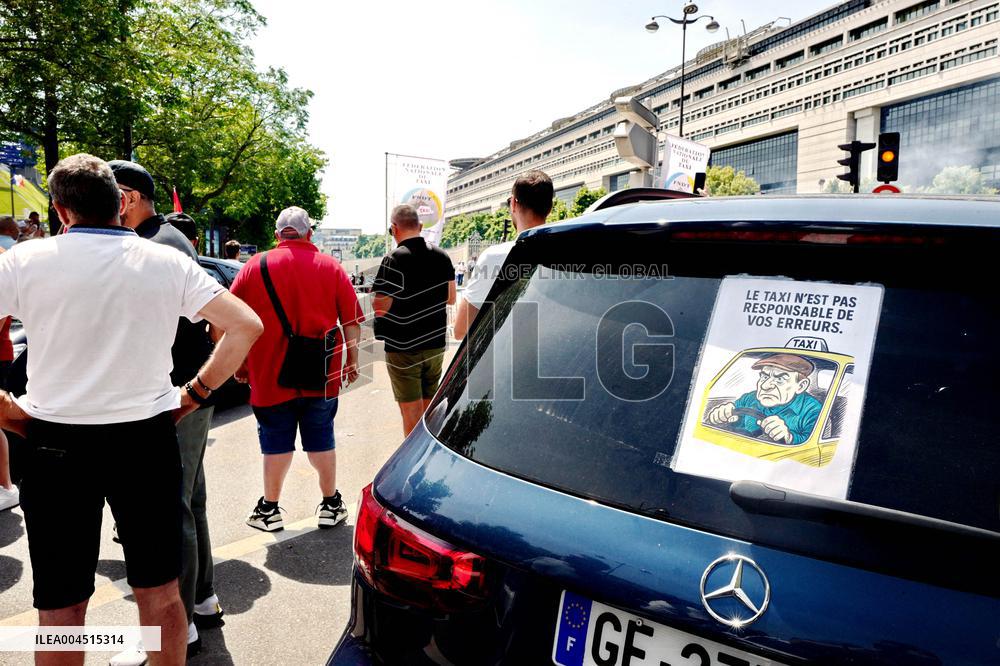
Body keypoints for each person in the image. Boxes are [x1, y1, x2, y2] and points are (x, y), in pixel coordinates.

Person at [0, 154, 262, 666]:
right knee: (159, 594)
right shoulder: (166, 261)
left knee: (60, 607)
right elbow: (246, 325)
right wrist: (196, 395)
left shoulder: (24, 262)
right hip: (146, 438)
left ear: (59, 210)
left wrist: (4, 410)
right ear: (120, 203)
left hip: (54, 440)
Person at [110, 161, 225, 663]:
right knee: (188, 500)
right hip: (188, 390)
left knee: (170, 506)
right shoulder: (171, 240)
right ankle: (201, 600)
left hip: (173, 393)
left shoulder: (151, 246)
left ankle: (178, 622)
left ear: (129, 198)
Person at [230, 206, 363, 532]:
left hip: (269, 375)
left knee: (275, 442)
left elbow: (227, 318)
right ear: (310, 234)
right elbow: (352, 320)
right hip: (321, 374)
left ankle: (269, 509)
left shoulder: (253, 267)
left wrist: (239, 362)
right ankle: (331, 505)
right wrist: (352, 360)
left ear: (277, 235)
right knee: (321, 438)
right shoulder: (331, 267)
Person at [373, 204, 456, 436]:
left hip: (403, 347)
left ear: (394, 229)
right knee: (429, 411)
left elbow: (380, 306)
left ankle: (414, 462)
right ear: (420, 227)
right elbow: (451, 299)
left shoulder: (393, 259)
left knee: (411, 413)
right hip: (435, 346)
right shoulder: (442, 256)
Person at [453, 170, 552, 340]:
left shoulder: (494, 257)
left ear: (513, 203)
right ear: (550, 208)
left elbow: (461, 329)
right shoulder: (572, 251)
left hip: (509, 359)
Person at [707, 353, 823, 445]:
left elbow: (811, 445)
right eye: (764, 376)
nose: (764, 385)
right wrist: (721, 415)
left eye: (780, 379)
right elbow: (733, 418)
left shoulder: (813, 410)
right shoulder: (749, 398)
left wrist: (789, 437)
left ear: (801, 386)